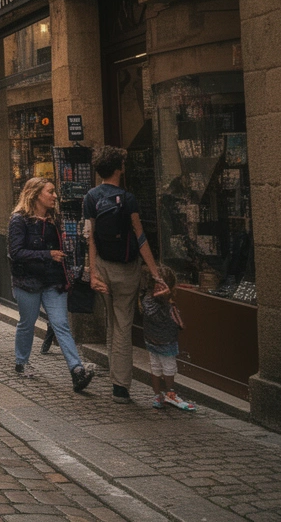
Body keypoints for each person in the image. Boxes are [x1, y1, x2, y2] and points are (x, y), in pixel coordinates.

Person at [85, 145, 166, 404]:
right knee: (122, 325)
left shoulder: (91, 197)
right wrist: (155, 273)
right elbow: (140, 238)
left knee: (112, 322)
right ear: (119, 168)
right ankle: (120, 387)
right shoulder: (127, 198)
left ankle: (115, 377)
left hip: (102, 267)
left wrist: (93, 273)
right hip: (126, 270)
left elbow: (90, 238)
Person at [7, 177, 96, 395]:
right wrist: (47, 254)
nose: (55, 196)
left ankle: (77, 370)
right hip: (27, 282)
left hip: (53, 281)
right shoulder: (19, 220)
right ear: (36, 194)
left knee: (61, 324)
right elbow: (16, 253)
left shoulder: (54, 219)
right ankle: (21, 362)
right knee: (27, 323)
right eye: (50, 192)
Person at [141, 265, 194, 411]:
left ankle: (157, 395)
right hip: (166, 340)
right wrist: (167, 300)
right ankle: (170, 393)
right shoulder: (165, 304)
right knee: (168, 367)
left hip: (151, 339)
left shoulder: (147, 299)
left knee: (156, 367)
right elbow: (180, 324)